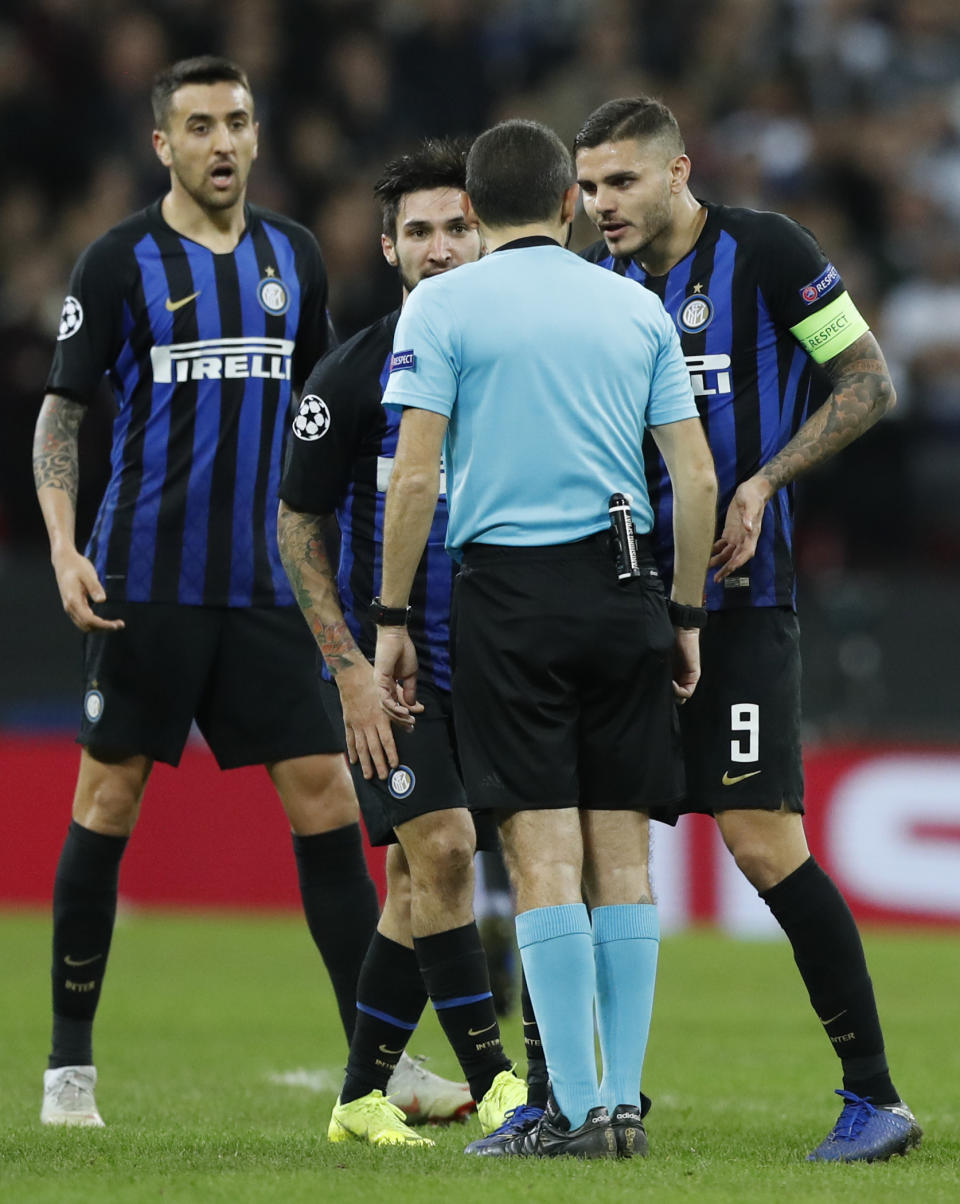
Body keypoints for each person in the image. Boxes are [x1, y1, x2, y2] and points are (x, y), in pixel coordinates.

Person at [30, 54, 436, 1129]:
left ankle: (378, 1068)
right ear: (162, 143)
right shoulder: (118, 262)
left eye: (238, 121)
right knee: (106, 802)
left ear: (258, 136)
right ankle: (70, 1072)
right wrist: (65, 545)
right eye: (200, 123)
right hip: (147, 585)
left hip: (268, 590)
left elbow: (321, 421)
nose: (222, 140)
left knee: (327, 800)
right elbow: (63, 412)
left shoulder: (294, 258)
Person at [357, 118, 717, 1159]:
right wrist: (683, 612)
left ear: (472, 212)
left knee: (544, 855)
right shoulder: (636, 304)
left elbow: (416, 475)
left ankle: (563, 1110)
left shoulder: (442, 304)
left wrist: (390, 619)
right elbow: (692, 477)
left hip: (508, 595)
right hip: (624, 582)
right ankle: (622, 1101)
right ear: (568, 204)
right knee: (622, 854)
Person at [574, 96, 922, 1164]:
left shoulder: (767, 252)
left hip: (742, 605)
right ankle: (586, 1099)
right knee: (591, 843)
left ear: (678, 172)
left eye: (621, 183)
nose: (601, 207)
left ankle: (874, 1096)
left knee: (763, 842)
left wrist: (764, 480)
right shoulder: (593, 287)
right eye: (586, 190)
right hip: (623, 607)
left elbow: (870, 380)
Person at [277, 139, 528, 1148]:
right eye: (416, 231)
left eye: (455, 226)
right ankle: (500, 1085)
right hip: (399, 671)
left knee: (418, 885)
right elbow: (296, 528)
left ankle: (356, 1100)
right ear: (388, 248)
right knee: (450, 849)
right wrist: (348, 668)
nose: (438, 247)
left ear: (487, 232)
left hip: (509, 657)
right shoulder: (351, 376)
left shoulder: (527, 355)